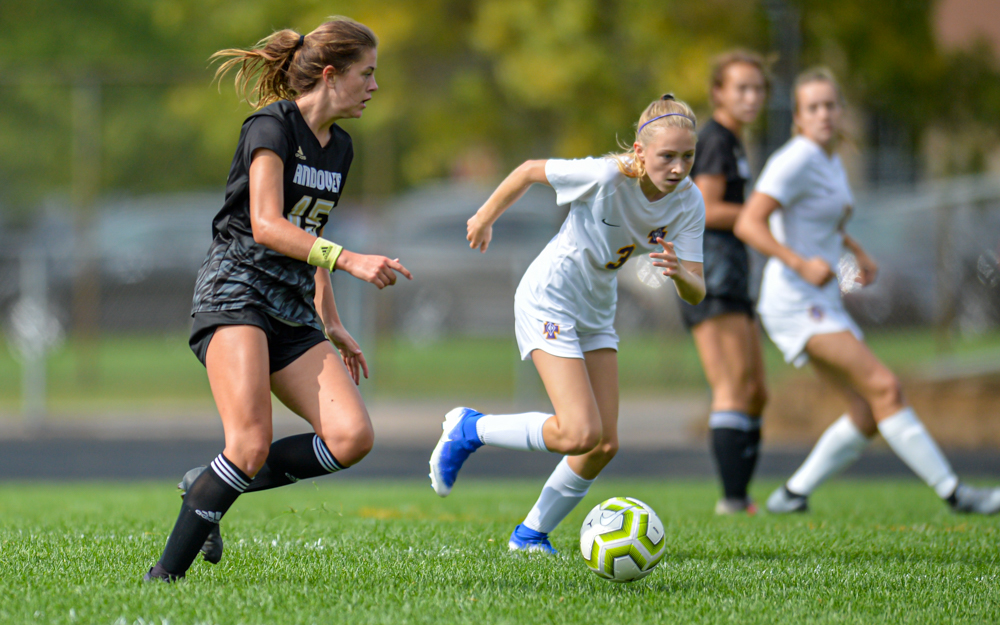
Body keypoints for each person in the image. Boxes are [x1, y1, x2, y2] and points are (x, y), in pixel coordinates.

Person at [144, 17, 412, 582]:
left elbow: (306, 235)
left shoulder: (339, 147)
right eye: (367, 73)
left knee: (351, 438)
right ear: (332, 74)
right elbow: (267, 226)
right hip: (236, 293)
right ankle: (162, 581)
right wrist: (353, 259)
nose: (374, 86)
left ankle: (208, 483)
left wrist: (331, 319)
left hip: (291, 306)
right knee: (248, 443)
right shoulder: (271, 126)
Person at [429, 94, 706, 552]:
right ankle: (469, 428)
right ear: (640, 153)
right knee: (578, 432)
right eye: (667, 156)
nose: (678, 168)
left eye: (688, 156)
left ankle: (530, 534)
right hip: (549, 298)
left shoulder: (689, 202)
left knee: (603, 444)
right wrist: (483, 217)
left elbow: (698, 288)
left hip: (597, 310)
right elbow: (527, 171)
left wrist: (680, 274)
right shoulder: (605, 177)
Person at [734, 67, 1000, 515]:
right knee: (886, 388)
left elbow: (828, 221)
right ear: (798, 117)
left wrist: (856, 249)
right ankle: (956, 494)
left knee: (864, 412)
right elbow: (748, 222)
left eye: (830, 105)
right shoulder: (794, 159)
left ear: (841, 111)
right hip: (794, 301)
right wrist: (799, 262)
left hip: (821, 299)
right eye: (813, 107)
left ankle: (790, 497)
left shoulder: (831, 160)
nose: (823, 114)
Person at [681, 51, 769, 515]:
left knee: (757, 391)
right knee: (733, 387)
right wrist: (761, 214)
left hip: (732, 274)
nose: (752, 97)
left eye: (758, 88)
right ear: (719, 93)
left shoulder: (731, 140)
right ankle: (733, 502)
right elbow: (708, 208)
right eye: (741, 88)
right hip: (710, 277)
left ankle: (742, 497)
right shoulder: (714, 140)